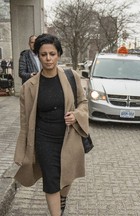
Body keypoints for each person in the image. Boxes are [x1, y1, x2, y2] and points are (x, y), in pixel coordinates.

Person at [14, 34, 89, 216]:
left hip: (68, 137)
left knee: (67, 177)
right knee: (51, 181)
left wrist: (76, 115)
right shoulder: (29, 87)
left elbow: (84, 103)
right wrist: (21, 150)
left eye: (52, 54)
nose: (48, 58)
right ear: (37, 56)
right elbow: (25, 122)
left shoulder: (72, 77)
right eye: (43, 54)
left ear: (59, 55)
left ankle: (62, 199)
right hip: (44, 139)